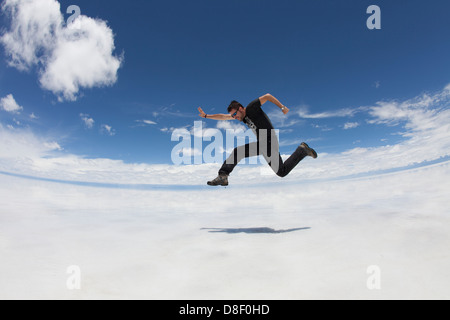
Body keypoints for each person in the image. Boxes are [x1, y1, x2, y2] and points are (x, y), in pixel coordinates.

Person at [198, 94, 317, 186]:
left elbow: (267, 96)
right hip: (264, 143)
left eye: (235, 114)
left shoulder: (251, 108)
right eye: (233, 116)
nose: (234, 117)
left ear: (240, 108)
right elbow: (223, 117)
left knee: (238, 152)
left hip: (268, 140)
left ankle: (223, 176)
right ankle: (302, 150)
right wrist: (206, 116)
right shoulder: (243, 117)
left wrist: (282, 107)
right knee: (281, 172)